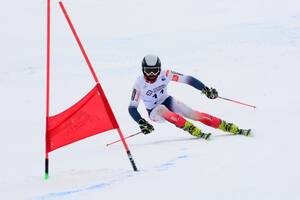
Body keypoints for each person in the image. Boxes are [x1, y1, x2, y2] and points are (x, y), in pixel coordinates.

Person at [128, 54, 251, 140]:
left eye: (154, 71)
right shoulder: (139, 84)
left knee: (193, 114)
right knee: (161, 109)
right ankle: (189, 128)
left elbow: (188, 79)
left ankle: (226, 126)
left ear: (159, 69)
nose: (152, 75)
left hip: (168, 101)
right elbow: (132, 108)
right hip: (154, 112)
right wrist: (141, 122)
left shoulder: (165, 74)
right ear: (143, 70)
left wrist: (205, 89)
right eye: (148, 71)